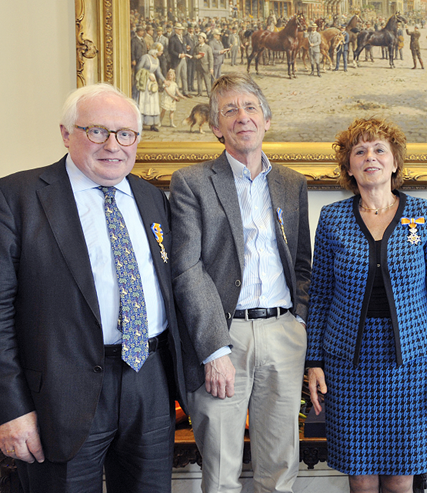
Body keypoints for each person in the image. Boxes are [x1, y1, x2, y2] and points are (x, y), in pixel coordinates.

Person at [0, 83, 187, 493]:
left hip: (149, 383)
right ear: (66, 133)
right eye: (97, 131)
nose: (113, 145)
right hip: (59, 396)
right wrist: (9, 410)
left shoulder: (152, 198)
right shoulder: (13, 198)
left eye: (125, 134)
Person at [169, 73, 311, 493]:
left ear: (267, 120)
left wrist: (299, 322)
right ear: (216, 127)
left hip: (283, 333)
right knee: (220, 473)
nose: (242, 117)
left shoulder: (291, 182)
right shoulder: (191, 182)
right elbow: (187, 269)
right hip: (223, 337)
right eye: (229, 110)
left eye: (251, 108)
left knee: (280, 471)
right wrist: (214, 349)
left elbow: (302, 264)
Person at [306, 117, 427, 493]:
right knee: (360, 479)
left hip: (413, 366)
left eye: (379, 150)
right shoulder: (332, 218)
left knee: (401, 478)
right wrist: (313, 361)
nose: (370, 157)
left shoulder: (426, 216)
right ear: (348, 167)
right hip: (347, 366)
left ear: (395, 163)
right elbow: (320, 295)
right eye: (359, 151)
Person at [135, 42, 165, 132]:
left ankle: (152, 124)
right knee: (144, 101)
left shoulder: (157, 60)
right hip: (145, 81)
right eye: (161, 51)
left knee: (153, 102)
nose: (162, 52)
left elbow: (158, 72)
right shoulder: (145, 57)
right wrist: (148, 75)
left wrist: (164, 80)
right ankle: (140, 123)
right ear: (156, 50)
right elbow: (138, 68)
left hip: (153, 82)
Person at [168, 23, 192, 98]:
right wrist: (179, 55)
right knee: (177, 77)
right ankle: (176, 93)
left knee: (184, 76)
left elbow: (184, 47)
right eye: (179, 29)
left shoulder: (184, 38)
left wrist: (187, 48)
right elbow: (171, 51)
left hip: (184, 59)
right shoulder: (172, 39)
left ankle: (185, 92)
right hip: (177, 60)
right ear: (175, 30)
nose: (180, 31)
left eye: (181, 30)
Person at [194, 32, 213, 97]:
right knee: (199, 80)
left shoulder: (208, 47)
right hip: (198, 66)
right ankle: (199, 92)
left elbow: (211, 58)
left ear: (204, 39)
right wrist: (196, 56)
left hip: (205, 66)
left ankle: (209, 93)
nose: (198, 39)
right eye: (198, 38)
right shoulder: (196, 47)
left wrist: (211, 68)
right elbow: (193, 55)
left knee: (207, 81)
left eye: (200, 38)